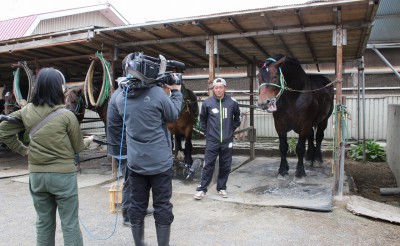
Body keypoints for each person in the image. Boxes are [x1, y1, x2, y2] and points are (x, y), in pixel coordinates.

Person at [0, 67, 93, 245]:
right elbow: (78, 147)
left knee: (43, 224)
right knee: (70, 224)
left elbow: (3, 132)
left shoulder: (26, 111)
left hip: (37, 177)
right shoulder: (67, 116)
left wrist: (24, 150)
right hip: (63, 177)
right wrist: (88, 140)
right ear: (59, 88)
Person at [111, 54, 183, 246]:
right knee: (162, 206)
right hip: (160, 164)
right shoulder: (158, 94)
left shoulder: (121, 97)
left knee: (137, 206)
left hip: (135, 164)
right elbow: (173, 114)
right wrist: (176, 91)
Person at [106, 85, 154, 227]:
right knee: (131, 180)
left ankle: (140, 208)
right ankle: (127, 215)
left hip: (121, 144)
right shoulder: (124, 94)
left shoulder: (120, 91)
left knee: (138, 179)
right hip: (124, 146)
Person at [194, 77, 241, 200]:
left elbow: (237, 118)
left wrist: (231, 129)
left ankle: (221, 188)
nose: (218, 90)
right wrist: (207, 132)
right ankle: (202, 189)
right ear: (213, 89)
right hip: (212, 140)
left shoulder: (232, 103)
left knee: (225, 165)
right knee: (208, 165)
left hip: (227, 141)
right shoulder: (207, 103)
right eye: (216, 87)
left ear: (225, 88)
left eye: (221, 87)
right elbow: (202, 120)